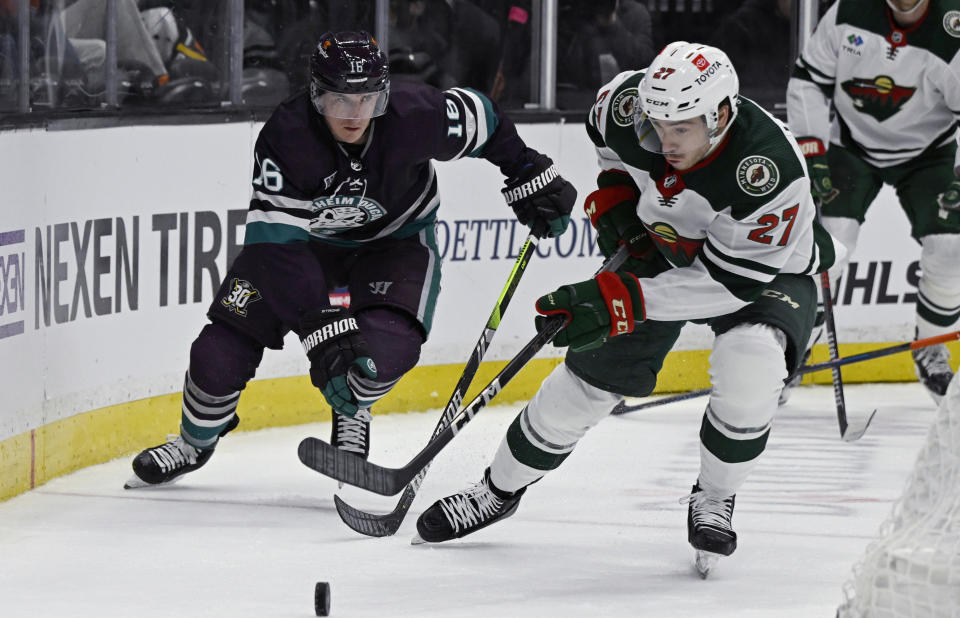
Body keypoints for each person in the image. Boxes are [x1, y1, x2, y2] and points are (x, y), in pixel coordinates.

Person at [413, 42, 844, 575]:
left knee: (750, 364)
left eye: (681, 129)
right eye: (658, 124)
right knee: (582, 388)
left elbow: (726, 285)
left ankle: (714, 497)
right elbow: (609, 144)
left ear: (722, 114)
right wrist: (616, 193)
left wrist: (619, 300)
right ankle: (496, 490)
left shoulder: (768, 172)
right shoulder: (629, 106)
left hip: (761, 271)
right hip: (662, 248)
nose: (665, 141)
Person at [124, 31, 576, 488]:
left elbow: (486, 119)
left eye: (368, 100)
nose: (356, 115)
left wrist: (527, 169)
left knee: (386, 351)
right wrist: (323, 326)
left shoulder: (417, 114)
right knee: (216, 356)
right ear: (317, 95)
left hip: (395, 243)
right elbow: (276, 247)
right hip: (300, 251)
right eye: (340, 101)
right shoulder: (286, 137)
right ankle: (194, 442)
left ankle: (352, 412)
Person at [786, 0, 960, 405]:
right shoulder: (850, 10)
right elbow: (809, 78)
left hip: (929, 152)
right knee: (829, 245)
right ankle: (790, 353)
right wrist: (812, 150)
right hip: (850, 145)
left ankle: (930, 346)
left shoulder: (952, 28)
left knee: (952, 249)